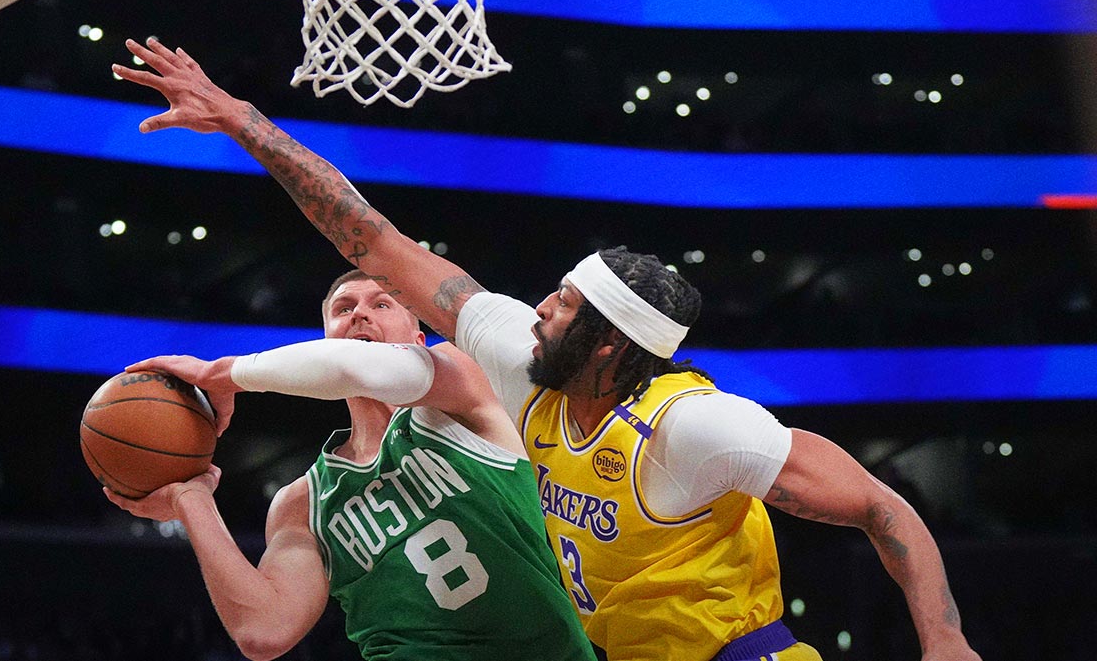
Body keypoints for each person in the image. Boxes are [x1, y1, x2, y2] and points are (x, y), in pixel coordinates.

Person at [113, 38, 983, 661]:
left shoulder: (695, 429)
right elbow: (372, 239)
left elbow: (879, 504)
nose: (535, 307)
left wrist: (943, 637)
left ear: (608, 344)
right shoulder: (517, 359)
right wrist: (243, 121)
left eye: (561, 305)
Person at [105, 269, 598, 661]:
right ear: (323, 338)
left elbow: (349, 366)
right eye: (343, 309)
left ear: (417, 336)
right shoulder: (302, 502)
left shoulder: (459, 395)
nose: (360, 314)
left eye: (381, 304)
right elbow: (263, 631)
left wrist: (222, 373)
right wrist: (194, 502)